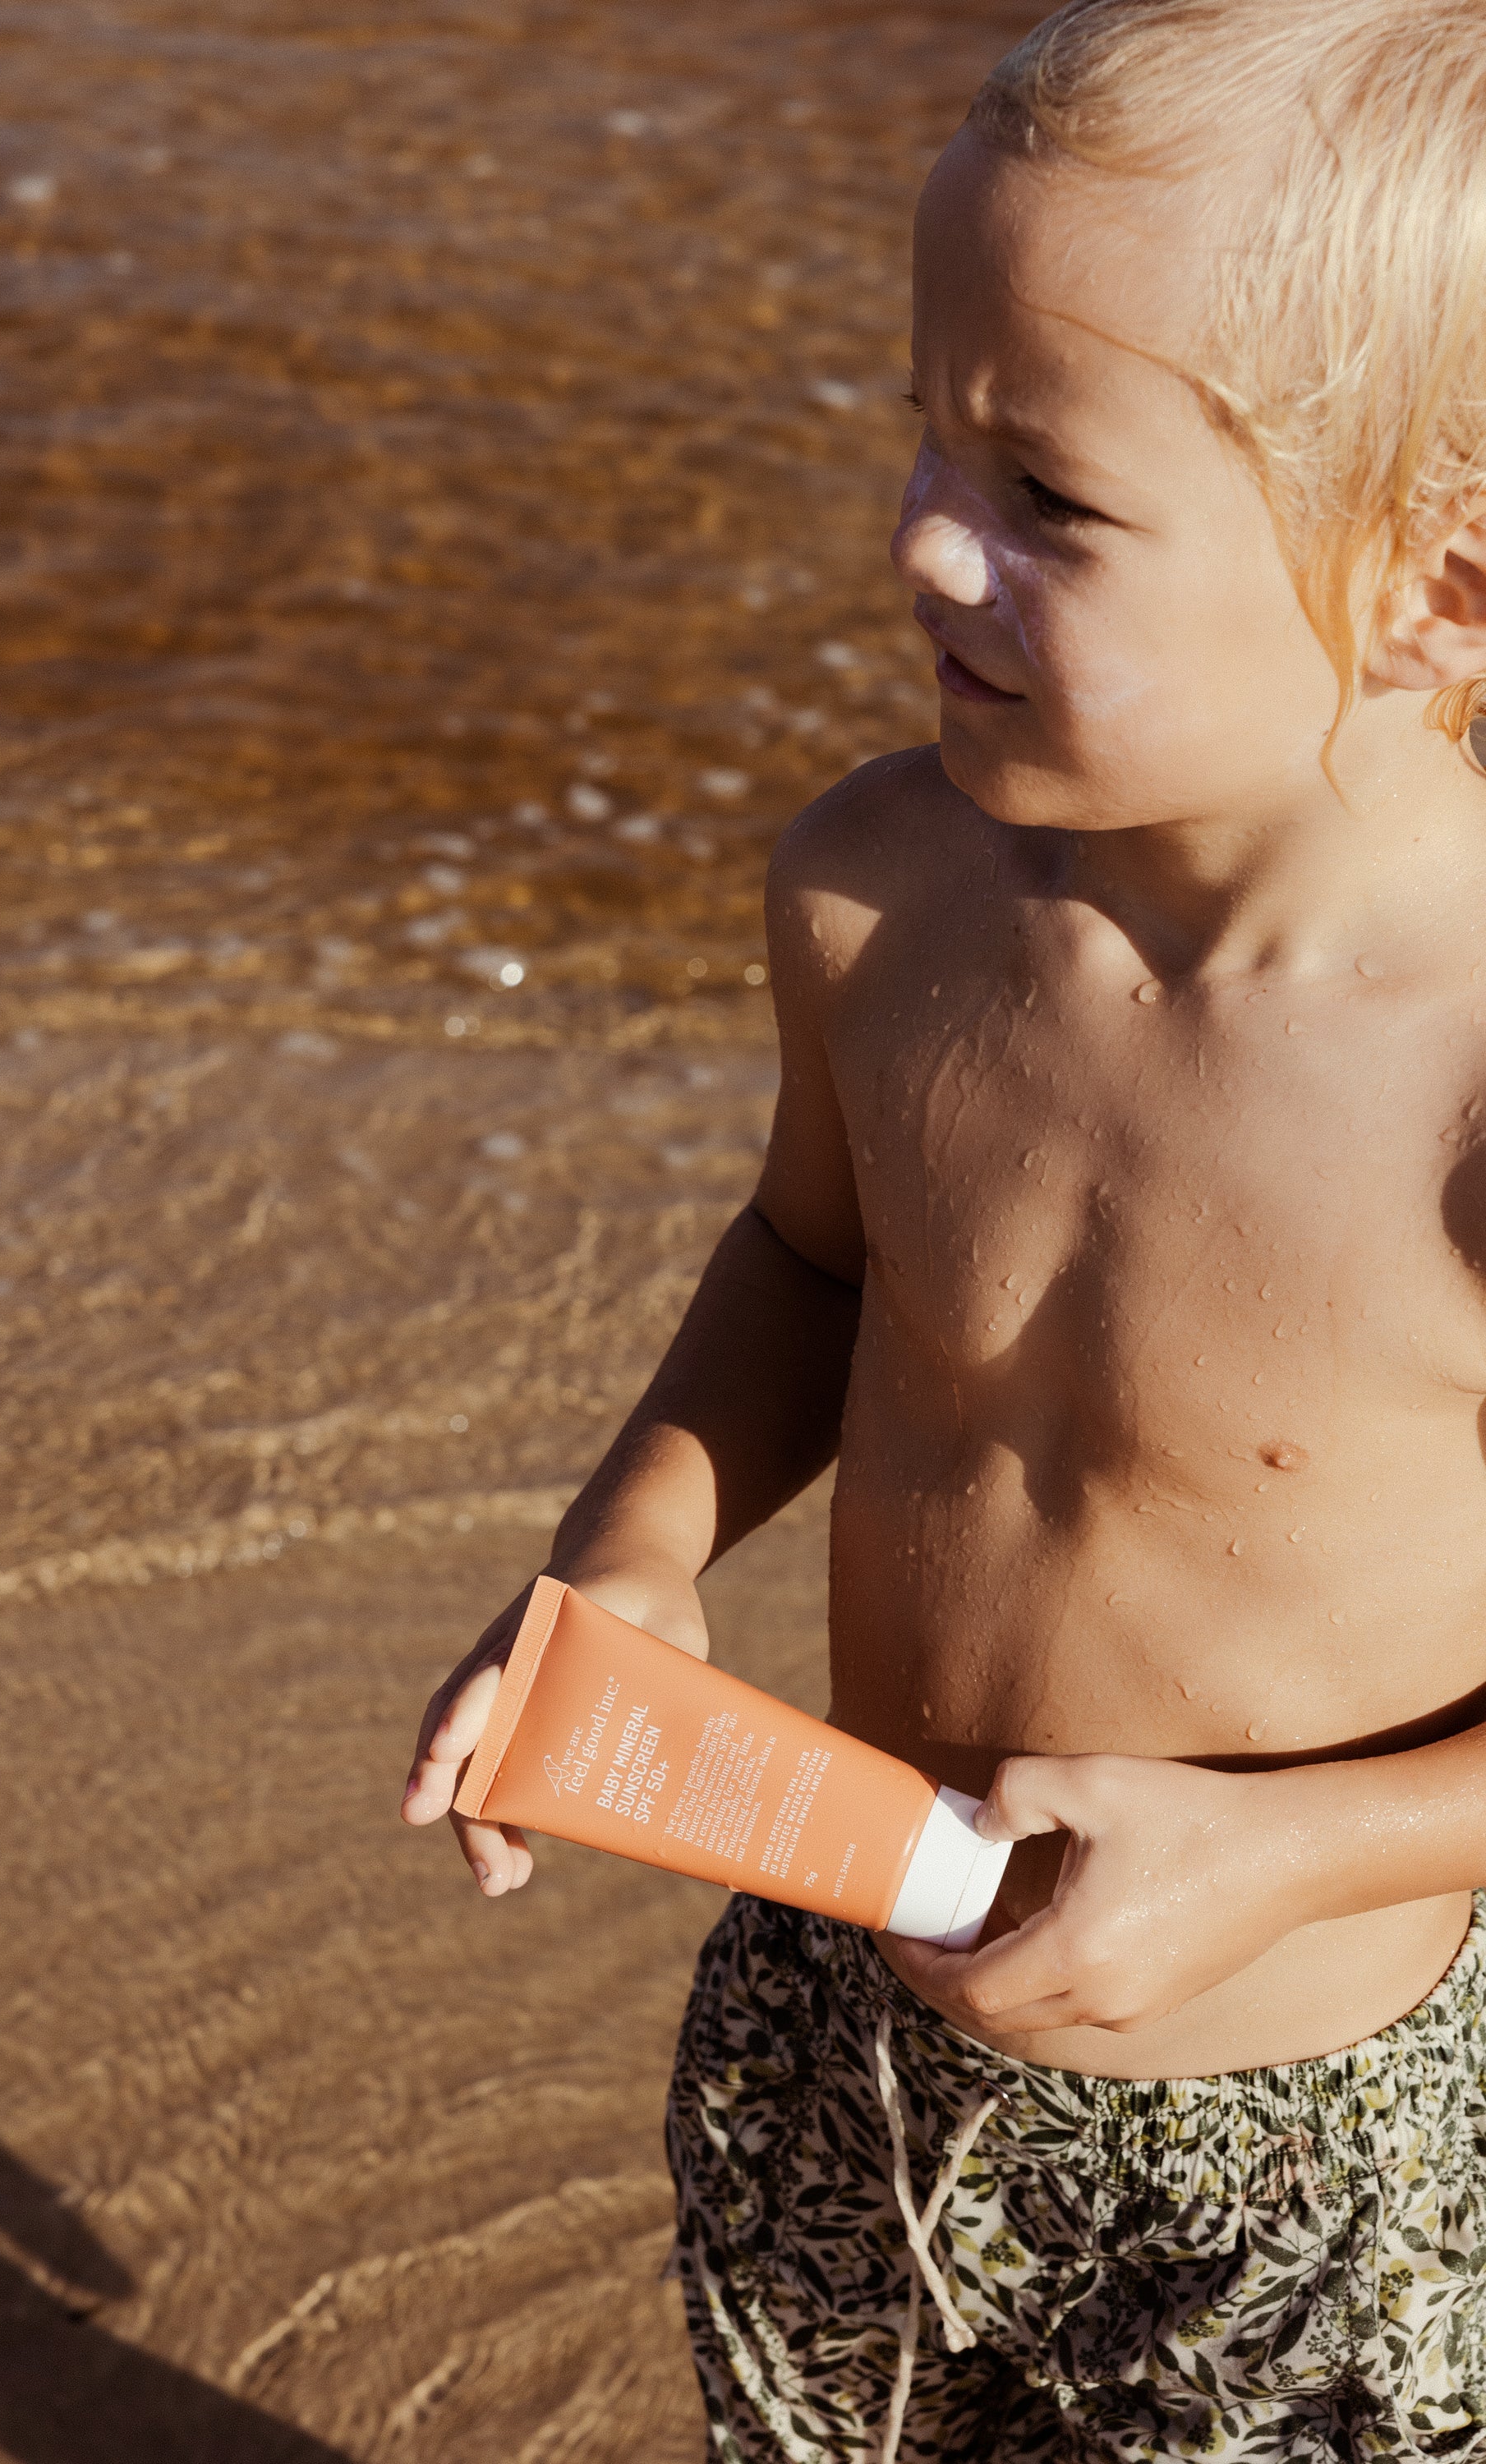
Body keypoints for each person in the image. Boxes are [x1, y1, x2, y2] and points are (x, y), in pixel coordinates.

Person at [403, 0, 1486, 2453]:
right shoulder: (884, 895)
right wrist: (629, 1569)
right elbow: (809, 1268)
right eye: (926, 421)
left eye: (1051, 497)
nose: (919, 530)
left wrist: (1295, 1852)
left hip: (1288, 2131)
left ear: (1448, 588)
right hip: (841, 2009)